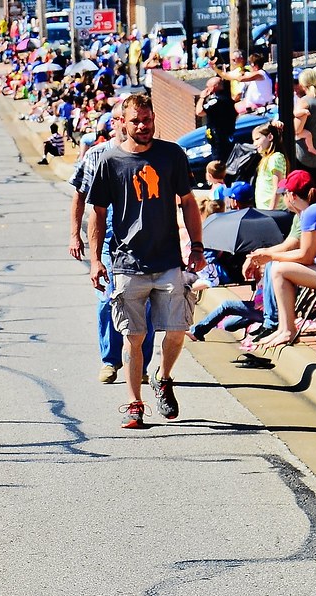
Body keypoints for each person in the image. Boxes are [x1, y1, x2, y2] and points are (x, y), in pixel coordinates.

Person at [86, 95, 203, 427]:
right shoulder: (110, 162)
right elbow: (97, 214)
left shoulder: (171, 155)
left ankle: (163, 377)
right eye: (136, 120)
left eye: (147, 119)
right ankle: (134, 403)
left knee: (178, 329)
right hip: (127, 263)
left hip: (168, 260)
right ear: (122, 122)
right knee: (133, 337)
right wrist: (96, 260)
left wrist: (196, 246)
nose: (143, 126)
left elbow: (189, 202)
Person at [68, 102, 156, 385]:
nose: (124, 124)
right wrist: (75, 234)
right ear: (117, 122)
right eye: (121, 119)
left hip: (144, 239)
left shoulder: (152, 153)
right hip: (108, 240)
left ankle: (140, 363)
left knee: (145, 305)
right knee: (108, 299)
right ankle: (111, 360)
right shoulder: (96, 155)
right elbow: (80, 197)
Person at [244, 170, 316, 350]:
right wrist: (268, 256)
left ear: (291, 196)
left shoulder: (312, 212)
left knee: (279, 270)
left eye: (285, 194)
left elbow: (305, 255)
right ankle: (284, 327)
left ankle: (287, 329)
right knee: (278, 266)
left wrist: (269, 256)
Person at [195, 76, 237, 166]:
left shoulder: (216, 101)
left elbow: (199, 112)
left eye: (208, 87)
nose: (206, 89)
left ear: (214, 87)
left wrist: (202, 98)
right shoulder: (228, 98)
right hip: (227, 135)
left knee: (218, 162)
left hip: (218, 137)